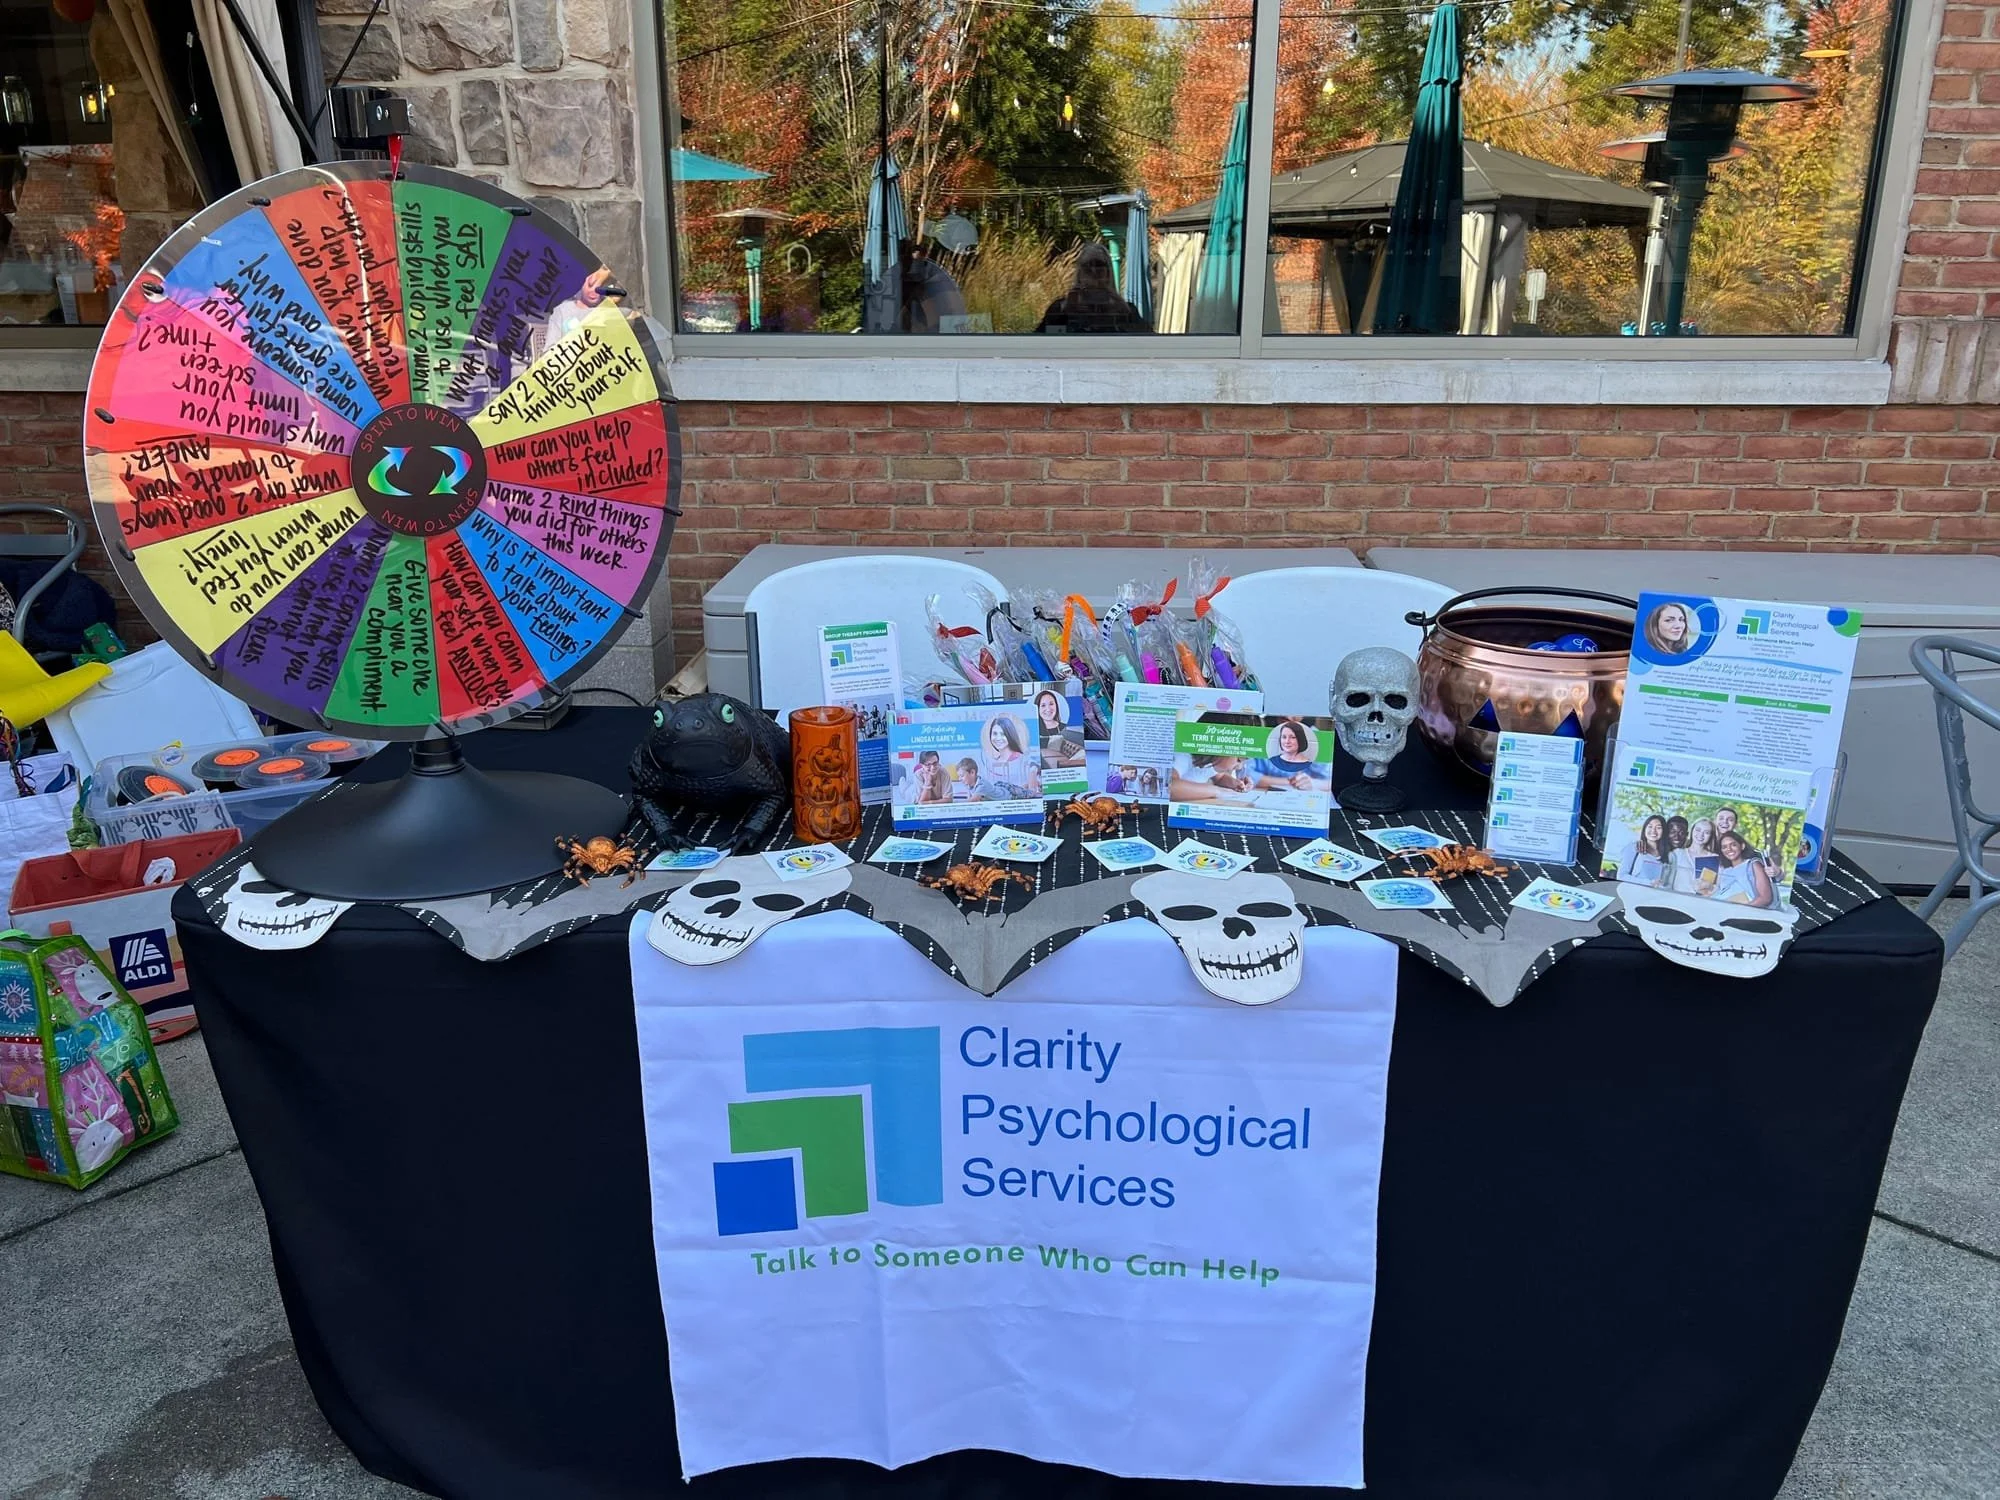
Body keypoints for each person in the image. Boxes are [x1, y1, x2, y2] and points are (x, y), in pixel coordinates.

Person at [1036, 243, 1149, 335]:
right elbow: (1041, 341)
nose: (1094, 271)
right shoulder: (1060, 309)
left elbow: (1147, 340)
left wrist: (1123, 312)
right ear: (1079, 274)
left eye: (1099, 265)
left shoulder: (1125, 310)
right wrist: (1062, 314)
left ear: (1108, 273)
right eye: (1088, 266)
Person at [1250, 719, 1327, 790]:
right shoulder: (1260, 730)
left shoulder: (1316, 736)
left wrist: (1313, 783)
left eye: (1293, 737)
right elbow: (1247, 774)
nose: (1287, 741)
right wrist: (1290, 782)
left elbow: (1329, 780)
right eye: (1283, 737)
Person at [1716, 829, 1777, 907]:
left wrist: (1740, 910)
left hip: (1749, 912)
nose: (1729, 849)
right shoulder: (1725, 870)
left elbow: (1766, 898)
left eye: (1733, 845)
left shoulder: (1753, 865)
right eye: (1724, 847)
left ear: (1742, 846)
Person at [982, 716, 1040, 796]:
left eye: (1003, 734)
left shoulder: (1026, 762)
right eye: (995, 734)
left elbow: (1033, 792)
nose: (998, 738)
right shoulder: (990, 765)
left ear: (1010, 735)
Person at [1614, 813, 1672, 884]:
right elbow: (1621, 876)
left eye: (1658, 828)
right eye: (1650, 826)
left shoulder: (1668, 854)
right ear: (1645, 829)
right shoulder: (1634, 848)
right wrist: (1649, 883)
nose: (1653, 831)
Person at [1170, 753, 1255, 802]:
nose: (1239, 767)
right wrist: (1217, 791)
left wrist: (1235, 783)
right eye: (1239, 760)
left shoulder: (1210, 763)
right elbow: (1170, 786)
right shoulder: (1183, 756)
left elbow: (1220, 777)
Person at [1035, 689, 1085, 768]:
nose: (1048, 709)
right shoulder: (1035, 727)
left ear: (1056, 706)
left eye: (1051, 704)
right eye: (1043, 705)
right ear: (1037, 708)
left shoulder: (1063, 726)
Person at [1672, 817, 1721, 895]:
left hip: (1702, 901)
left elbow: (1718, 887)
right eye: (1698, 830)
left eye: (1706, 832)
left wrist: (1710, 887)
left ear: (1711, 836)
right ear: (1692, 830)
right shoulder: (1677, 854)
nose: (1701, 835)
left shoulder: (1714, 858)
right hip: (1676, 900)